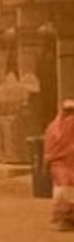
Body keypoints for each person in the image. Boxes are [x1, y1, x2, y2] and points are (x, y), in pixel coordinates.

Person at [43, 98, 74, 231]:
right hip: (61, 163)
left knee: (64, 190)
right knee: (64, 190)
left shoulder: (54, 126)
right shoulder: (56, 127)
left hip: (64, 163)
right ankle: (63, 218)